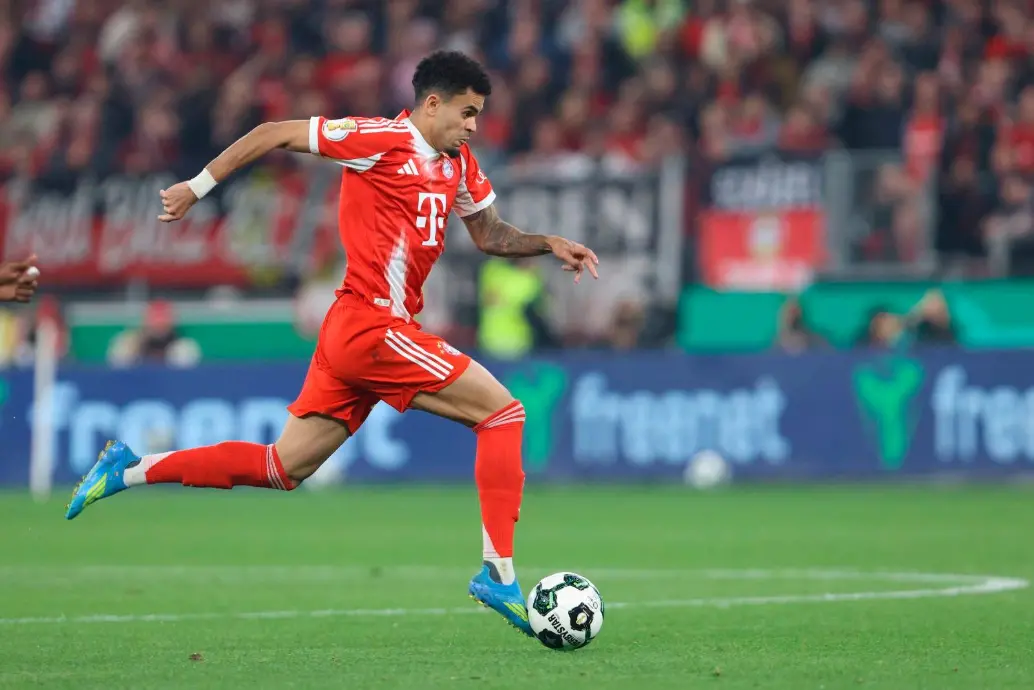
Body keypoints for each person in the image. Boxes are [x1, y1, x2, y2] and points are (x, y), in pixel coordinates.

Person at [64, 51, 599, 638]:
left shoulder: (459, 163)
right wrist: (196, 188)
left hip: (359, 331)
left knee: (282, 466)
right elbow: (272, 133)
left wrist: (549, 243)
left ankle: (130, 469)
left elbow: (490, 233)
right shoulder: (377, 139)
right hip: (373, 326)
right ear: (432, 104)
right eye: (467, 112)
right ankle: (498, 572)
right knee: (503, 413)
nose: (474, 125)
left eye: (479, 115)